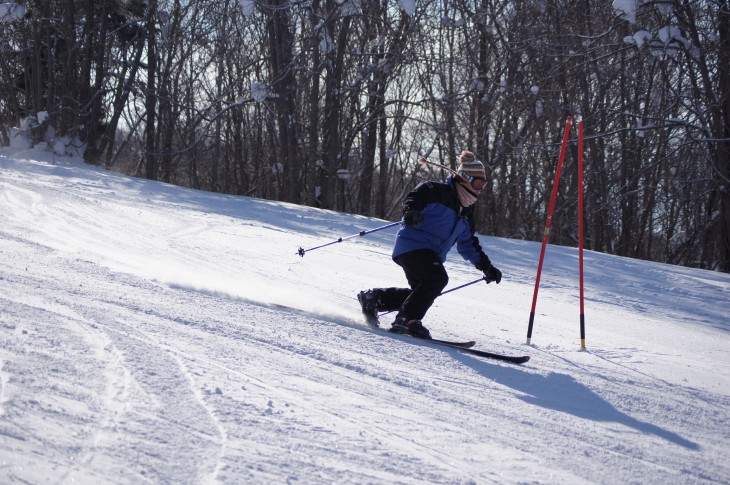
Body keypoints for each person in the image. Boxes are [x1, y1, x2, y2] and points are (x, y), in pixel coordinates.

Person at [358, 150, 502, 339]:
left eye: (483, 185)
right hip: (412, 246)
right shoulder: (436, 191)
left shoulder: (466, 214)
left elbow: (468, 244)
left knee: (421, 293)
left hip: (429, 255)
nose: (480, 190)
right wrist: (411, 212)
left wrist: (487, 267)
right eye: (478, 183)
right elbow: (414, 199)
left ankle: (375, 299)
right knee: (437, 279)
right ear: (464, 178)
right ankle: (407, 320)